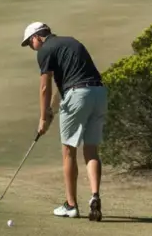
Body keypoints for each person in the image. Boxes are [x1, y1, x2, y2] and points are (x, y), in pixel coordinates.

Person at [20, 21, 107, 220]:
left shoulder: (44, 51)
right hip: (99, 93)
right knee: (91, 149)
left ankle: (71, 205)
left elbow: (45, 87)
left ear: (37, 37)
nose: (31, 48)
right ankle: (95, 195)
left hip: (77, 94)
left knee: (68, 150)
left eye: (29, 43)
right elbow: (69, 80)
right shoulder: (71, 42)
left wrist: (43, 118)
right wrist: (51, 109)